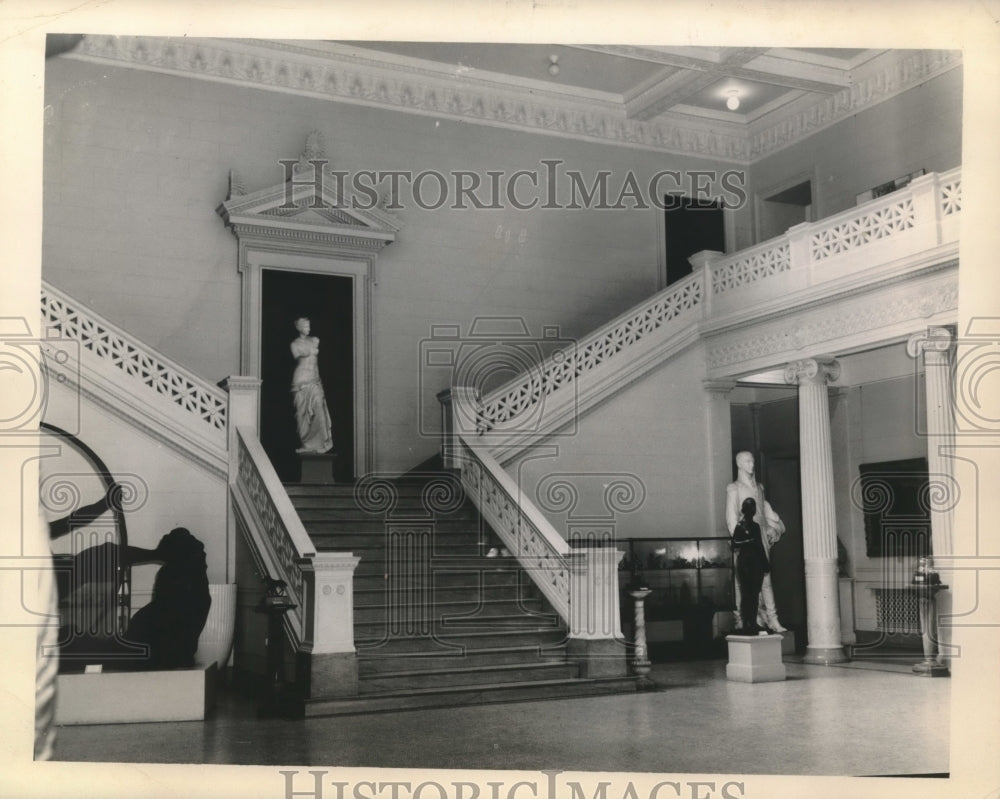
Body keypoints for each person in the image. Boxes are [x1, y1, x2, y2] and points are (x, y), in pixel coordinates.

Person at [725, 451, 787, 632]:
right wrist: (739, 539)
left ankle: (772, 618)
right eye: (747, 461)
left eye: (752, 461)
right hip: (745, 540)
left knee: (765, 579)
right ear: (739, 464)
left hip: (760, 538)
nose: (752, 465)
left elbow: (764, 513)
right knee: (743, 583)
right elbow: (731, 518)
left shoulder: (759, 487)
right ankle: (742, 619)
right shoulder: (734, 488)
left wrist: (771, 528)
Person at [290, 317, 334, 454]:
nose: (308, 328)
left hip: (315, 380)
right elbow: (298, 354)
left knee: (319, 408)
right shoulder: (295, 344)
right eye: (305, 326)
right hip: (300, 382)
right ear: (299, 328)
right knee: (302, 415)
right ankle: (306, 445)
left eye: (309, 326)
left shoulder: (314, 340)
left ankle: (321, 443)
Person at [731, 497, 769, 635]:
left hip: (755, 562)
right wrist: (748, 542)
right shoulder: (740, 526)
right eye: (749, 507)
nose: (752, 510)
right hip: (745, 562)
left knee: (754, 594)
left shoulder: (755, 526)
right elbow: (734, 544)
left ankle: (752, 622)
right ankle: (746, 623)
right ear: (744, 509)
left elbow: (760, 545)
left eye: (753, 507)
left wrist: (765, 563)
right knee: (747, 594)